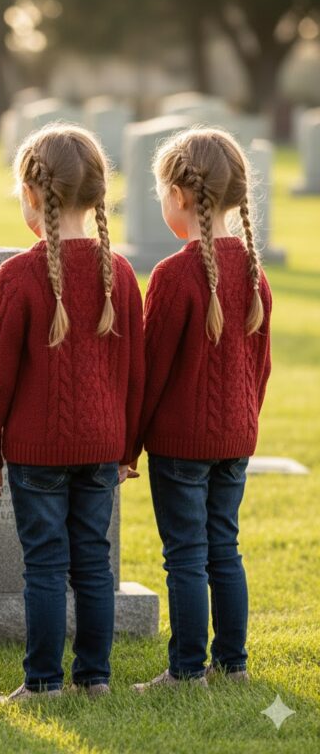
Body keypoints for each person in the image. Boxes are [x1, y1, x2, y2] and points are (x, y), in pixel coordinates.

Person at [0, 124, 145, 703]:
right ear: (99, 193)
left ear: (30, 193)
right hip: (100, 448)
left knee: (45, 566)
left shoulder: (16, 277)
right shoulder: (118, 272)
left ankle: (43, 683)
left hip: (34, 452)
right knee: (94, 564)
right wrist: (127, 448)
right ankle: (94, 679)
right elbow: (132, 374)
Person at [132, 128, 272, 693]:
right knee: (224, 549)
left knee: (186, 556)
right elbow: (259, 370)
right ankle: (232, 666)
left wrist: (127, 446)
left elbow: (150, 373)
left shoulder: (172, 276)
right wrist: (244, 423)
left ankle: (187, 671)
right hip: (235, 441)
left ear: (180, 196)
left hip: (179, 446)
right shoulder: (254, 272)